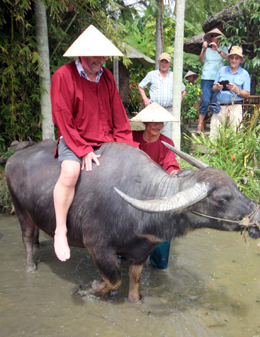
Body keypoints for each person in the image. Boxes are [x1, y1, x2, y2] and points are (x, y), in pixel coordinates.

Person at [51, 25, 138, 261]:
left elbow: (118, 113)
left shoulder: (106, 76)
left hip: (105, 138)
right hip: (73, 138)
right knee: (69, 173)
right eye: (97, 55)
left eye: (104, 55)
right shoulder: (63, 75)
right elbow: (62, 118)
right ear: (82, 54)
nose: (102, 59)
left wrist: (125, 145)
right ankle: (61, 230)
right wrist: (82, 149)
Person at [131, 103, 181, 267]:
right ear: (145, 123)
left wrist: (173, 172)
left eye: (160, 123)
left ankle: (159, 262)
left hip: (155, 190)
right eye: (153, 122)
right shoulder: (131, 137)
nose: (157, 126)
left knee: (164, 225)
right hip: (132, 186)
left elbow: (171, 164)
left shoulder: (167, 142)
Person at [138, 52, 186, 138]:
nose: (164, 64)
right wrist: (145, 99)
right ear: (159, 62)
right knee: (151, 133)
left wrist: (178, 102)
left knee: (166, 136)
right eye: (162, 61)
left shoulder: (174, 75)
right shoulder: (152, 74)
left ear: (170, 64)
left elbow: (183, 90)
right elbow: (141, 86)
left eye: (166, 62)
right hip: (154, 110)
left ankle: (165, 151)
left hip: (168, 110)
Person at [211, 46, 250, 139]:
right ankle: (212, 154)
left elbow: (247, 94)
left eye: (236, 58)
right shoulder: (222, 70)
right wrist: (217, 87)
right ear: (229, 59)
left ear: (240, 59)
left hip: (235, 107)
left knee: (234, 137)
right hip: (220, 107)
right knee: (214, 135)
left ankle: (233, 154)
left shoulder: (244, 74)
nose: (234, 60)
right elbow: (213, 89)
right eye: (232, 57)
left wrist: (237, 90)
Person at [197, 28, 229, 133]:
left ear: (220, 38)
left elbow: (227, 59)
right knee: (205, 101)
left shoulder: (224, 47)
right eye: (212, 36)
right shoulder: (206, 48)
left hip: (219, 78)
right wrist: (205, 49)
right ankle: (200, 124)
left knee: (216, 102)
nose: (214, 38)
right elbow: (200, 60)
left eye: (216, 36)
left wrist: (218, 49)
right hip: (206, 77)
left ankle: (215, 125)